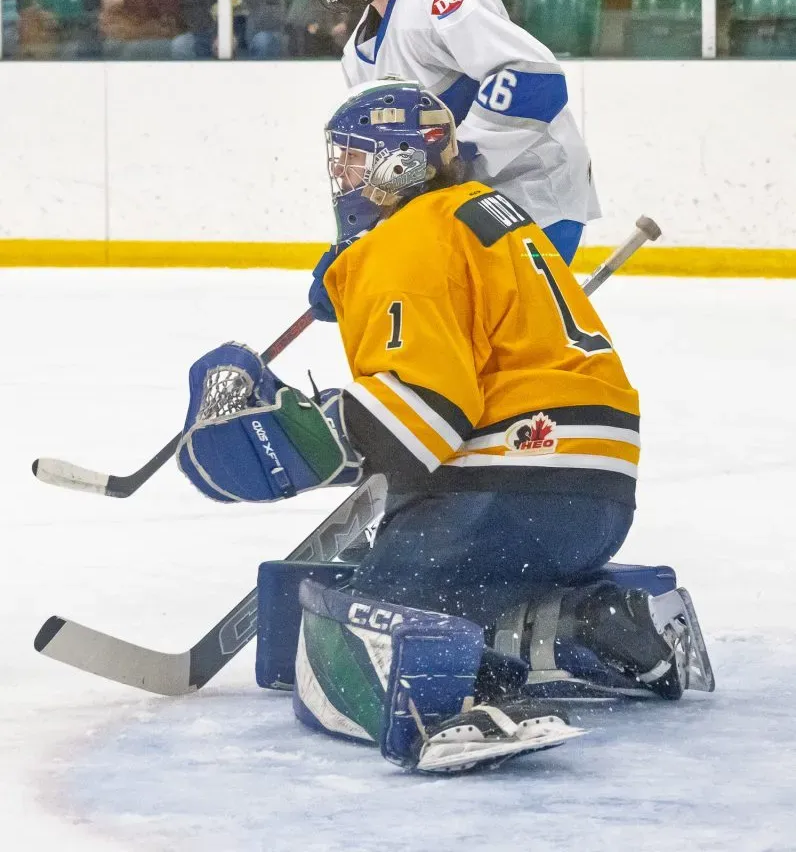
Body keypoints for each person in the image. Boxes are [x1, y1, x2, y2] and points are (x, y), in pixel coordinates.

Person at [175, 79, 714, 773]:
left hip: (501, 491)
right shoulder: (483, 212)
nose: (340, 177)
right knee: (480, 593)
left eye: (350, 160)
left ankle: (470, 697)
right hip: (592, 499)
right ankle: (607, 626)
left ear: (396, 166)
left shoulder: (406, 237)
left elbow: (423, 416)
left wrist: (283, 442)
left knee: (361, 617)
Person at [305, 0, 598, 323]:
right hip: (465, 205)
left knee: (485, 336)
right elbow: (388, 161)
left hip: (533, 194)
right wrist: (354, 250)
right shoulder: (355, 56)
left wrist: (461, 154)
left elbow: (534, 78)